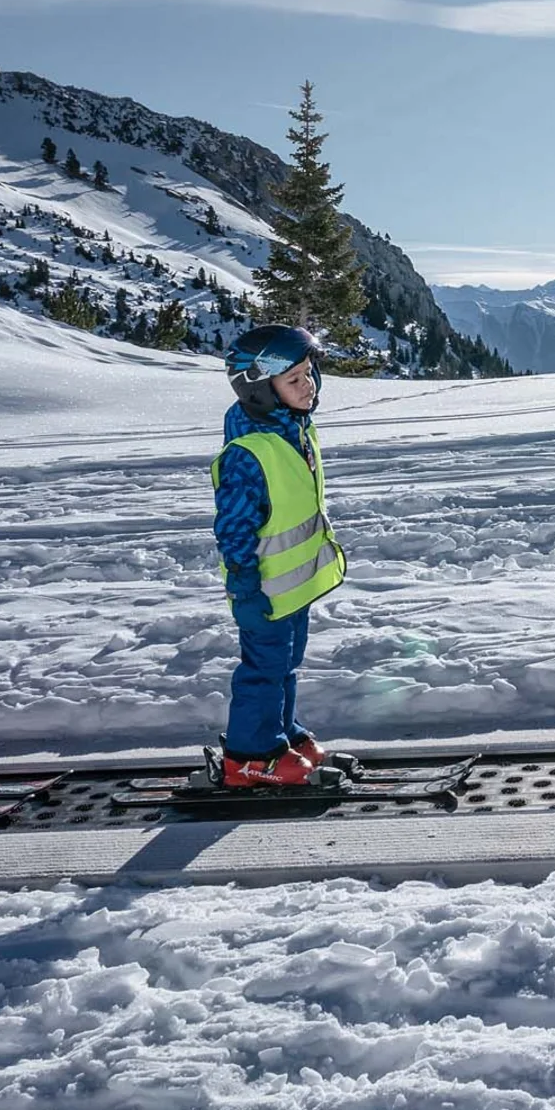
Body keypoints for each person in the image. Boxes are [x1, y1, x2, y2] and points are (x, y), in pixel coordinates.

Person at [211, 323, 347, 787]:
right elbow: (233, 527)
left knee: (285, 664)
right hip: (262, 589)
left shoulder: (292, 430)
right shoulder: (249, 453)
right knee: (264, 669)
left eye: (309, 373)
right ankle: (250, 756)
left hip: (291, 588)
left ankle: (281, 734)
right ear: (260, 391)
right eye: (294, 379)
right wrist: (244, 586)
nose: (308, 385)